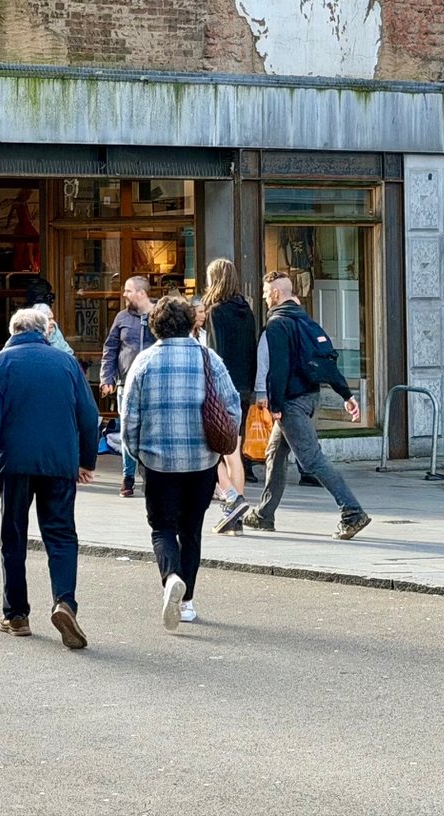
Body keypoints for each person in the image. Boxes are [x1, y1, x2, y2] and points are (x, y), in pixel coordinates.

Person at [0, 306, 98, 648]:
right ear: (44, 332)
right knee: (61, 534)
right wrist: (86, 461)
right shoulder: (67, 363)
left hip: (15, 463)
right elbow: (89, 415)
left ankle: (16, 615)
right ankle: (65, 602)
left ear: (13, 331)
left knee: (13, 537)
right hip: (59, 463)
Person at [118, 294, 243, 630]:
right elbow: (232, 408)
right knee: (191, 531)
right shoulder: (209, 359)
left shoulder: (143, 363)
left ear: (156, 326)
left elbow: (128, 418)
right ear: (191, 324)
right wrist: (220, 450)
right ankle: (187, 603)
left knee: (162, 528)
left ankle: (171, 576)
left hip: (158, 463)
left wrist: (136, 454)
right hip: (202, 461)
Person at [244, 272, 371, 540]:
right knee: (275, 454)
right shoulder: (305, 320)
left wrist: (276, 404)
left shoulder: (277, 324)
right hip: (310, 396)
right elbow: (327, 360)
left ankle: (352, 512)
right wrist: (346, 394)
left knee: (312, 459)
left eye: (267, 294)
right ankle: (264, 514)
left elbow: (277, 369)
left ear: (277, 294)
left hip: (291, 402)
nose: (265, 298)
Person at [204, 259, 259, 533]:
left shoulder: (215, 311)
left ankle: (232, 501)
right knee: (234, 453)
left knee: (211, 452)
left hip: (222, 390)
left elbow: (215, 354)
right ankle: (235, 515)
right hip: (244, 388)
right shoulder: (247, 311)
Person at [101, 277, 154, 496]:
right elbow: (111, 347)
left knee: (151, 430)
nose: (124, 295)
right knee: (127, 431)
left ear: (141, 293)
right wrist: (107, 378)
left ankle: (150, 476)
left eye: (128, 291)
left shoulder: (159, 314)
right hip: (126, 383)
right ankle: (128, 477)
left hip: (153, 382)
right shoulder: (122, 317)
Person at [20, 277, 75, 357]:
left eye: (50, 319)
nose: (51, 322)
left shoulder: (52, 327)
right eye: (48, 319)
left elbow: (68, 354)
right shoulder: (25, 326)